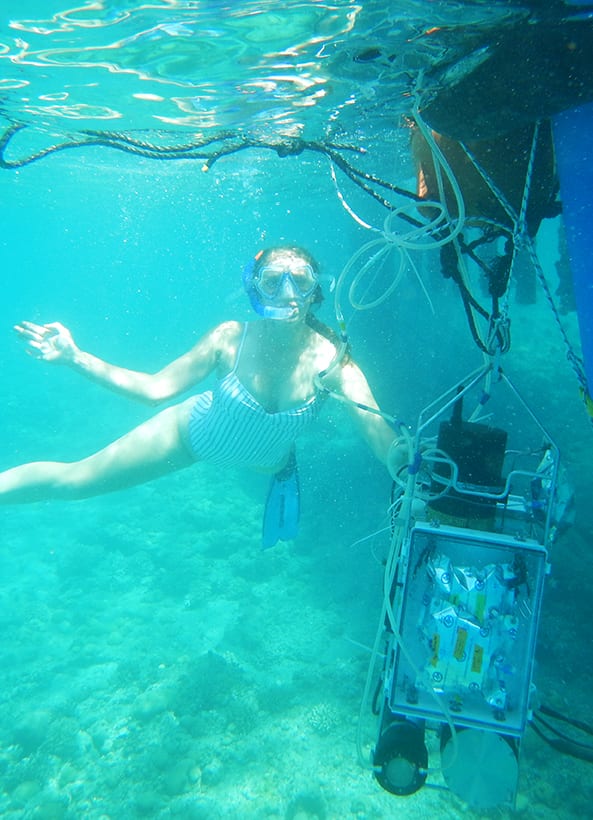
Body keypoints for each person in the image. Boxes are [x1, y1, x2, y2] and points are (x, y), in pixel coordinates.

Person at [0, 245, 403, 546]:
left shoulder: (333, 361)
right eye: (272, 280)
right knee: (75, 482)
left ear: (315, 290)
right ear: (256, 290)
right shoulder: (229, 338)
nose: (287, 292)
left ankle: (284, 469)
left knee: (278, 460)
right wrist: (75, 357)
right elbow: (155, 390)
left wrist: (402, 462)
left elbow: (377, 430)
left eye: (299, 279)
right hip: (189, 438)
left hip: (270, 462)